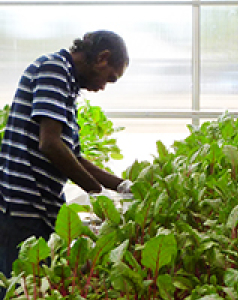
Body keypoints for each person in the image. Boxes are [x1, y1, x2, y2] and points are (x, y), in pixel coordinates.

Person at [0, 30, 133, 298]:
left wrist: (123, 186)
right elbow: (50, 144)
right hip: (23, 206)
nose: (103, 87)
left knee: (32, 287)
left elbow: (74, 156)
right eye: (109, 78)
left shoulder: (67, 85)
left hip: (38, 207)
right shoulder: (53, 70)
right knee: (20, 289)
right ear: (102, 58)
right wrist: (98, 194)